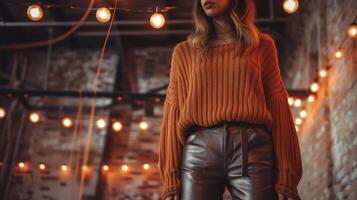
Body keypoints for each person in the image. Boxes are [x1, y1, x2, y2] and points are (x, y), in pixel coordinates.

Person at [157, 0, 303, 199]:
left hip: (252, 148)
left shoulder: (261, 45)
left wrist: (287, 170)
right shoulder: (184, 52)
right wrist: (170, 177)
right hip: (199, 152)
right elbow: (173, 110)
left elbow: (278, 106)